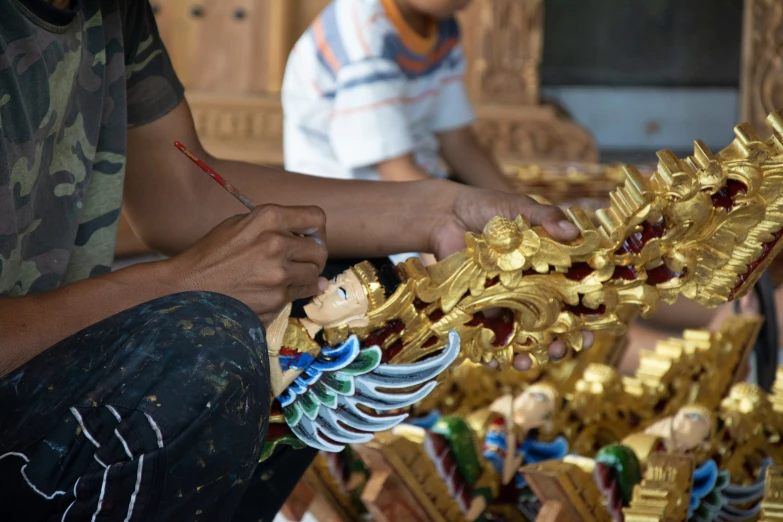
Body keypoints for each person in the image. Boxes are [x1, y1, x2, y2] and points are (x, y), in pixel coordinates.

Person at [0, 1, 587, 521]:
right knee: (211, 344)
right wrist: (178, 282)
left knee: (325, 303)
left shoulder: (112, 11)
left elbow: (180, 193)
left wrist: (443, 211)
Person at [281, 0, 516, 263]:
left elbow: (457, 140)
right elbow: (393, 169)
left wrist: (520, 212)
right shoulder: (364, 31)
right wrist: (447, 263)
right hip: (348, 212)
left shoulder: (442, 24)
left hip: (416, 188)